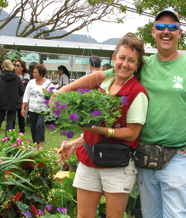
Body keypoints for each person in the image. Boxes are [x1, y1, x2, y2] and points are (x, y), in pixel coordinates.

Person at [57, 8, 186, 218]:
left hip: (178, 157)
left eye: (172, 27)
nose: (166, 31)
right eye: (160, 26)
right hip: (145, 157)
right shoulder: (142, 65)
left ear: (180, 33)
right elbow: (100, 77)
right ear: (154, 32)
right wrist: (64, 90)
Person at [57, 33, 148, 218]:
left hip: (116, 164)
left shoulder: (137, 92)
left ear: (137, 65)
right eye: (122, 58)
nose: (125, 64)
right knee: (84, 216)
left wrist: (101, 130)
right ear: (114, 58)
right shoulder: (102, 86)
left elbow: (132, 133)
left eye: (131, 60)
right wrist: (73, 144)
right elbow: (92, 132)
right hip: (89, 160)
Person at [21, 64, 55, 150]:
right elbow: (26, 95)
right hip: (32, 108)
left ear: (41, 74)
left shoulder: (48, 83)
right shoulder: (31, 82)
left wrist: (48, 92)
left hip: (43, 109)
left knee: (39, 125)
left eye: (35, 72)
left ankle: (40, 145)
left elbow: (56, 94)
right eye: (33, 72)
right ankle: (35, 144)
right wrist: (23, 107)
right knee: (33, 127)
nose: (33, 74)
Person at [0, 59, 25, 135]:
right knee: (10, 122)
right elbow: (22, 91)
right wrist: (16, 96)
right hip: (13, 103)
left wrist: (1, 94)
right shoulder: (17, 78)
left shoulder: (0, 77)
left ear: (2, 66)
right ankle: (7, 140)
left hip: (2, 101)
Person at [13, 58, 29, 133]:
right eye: (15, 65)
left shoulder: (26, 76)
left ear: (22, 68)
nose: (15, 67)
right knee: (12, 114)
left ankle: (22, 130)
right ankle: (11, 129)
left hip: (22, 98)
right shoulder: (12, 75)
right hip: (13, 98)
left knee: (21, 114)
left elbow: (25, 85)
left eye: (17, 65)